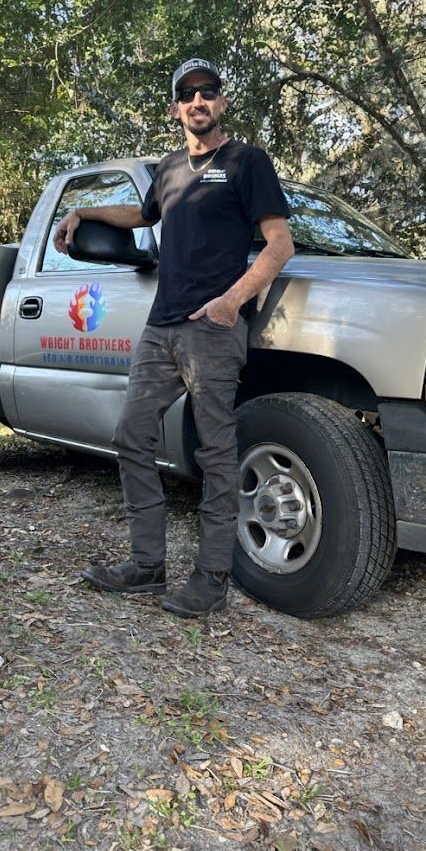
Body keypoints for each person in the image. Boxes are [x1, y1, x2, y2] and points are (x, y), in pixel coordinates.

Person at [54, 57, 294, 617]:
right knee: (131, 435)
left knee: (214, 453)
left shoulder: (246, 162)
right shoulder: (168, 169)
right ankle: (147, 566)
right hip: (160, 328)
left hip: (211, 329)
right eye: (187, 93)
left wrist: (231, 302)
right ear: (175, 108)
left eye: (207, 91)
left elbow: (279, 244)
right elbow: (141, 216)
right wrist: (81, 211)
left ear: (222, 101)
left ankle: (211, 579)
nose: (198, 101)